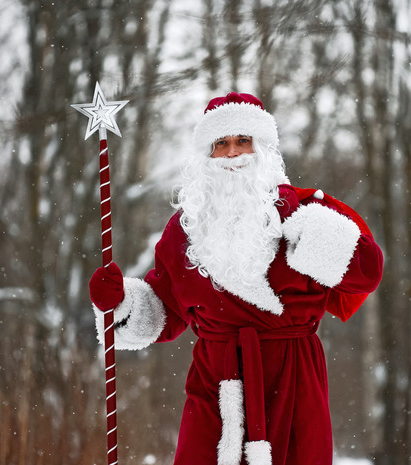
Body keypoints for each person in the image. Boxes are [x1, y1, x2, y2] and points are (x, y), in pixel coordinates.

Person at [89, 92, 384, 465]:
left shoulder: (307, 211)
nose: (232, 154)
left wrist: (311, 235)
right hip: (215, 385)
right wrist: (120, 302)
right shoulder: (186, 228)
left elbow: (367, 273)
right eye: (221, 144)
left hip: (292, 381)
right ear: (206, 155)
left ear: (262, 149)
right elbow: (164, 309)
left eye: (243, 141)